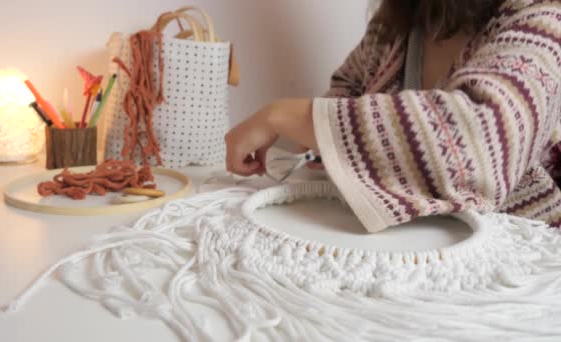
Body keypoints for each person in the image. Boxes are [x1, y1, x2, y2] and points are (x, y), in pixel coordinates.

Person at [224, 0, 561, 232]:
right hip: (401, 254)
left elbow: (482, 144)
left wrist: (285, 115)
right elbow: (345, 93)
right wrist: (322, 143)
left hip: (519, 272)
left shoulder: (543, 18)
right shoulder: (399, 25)